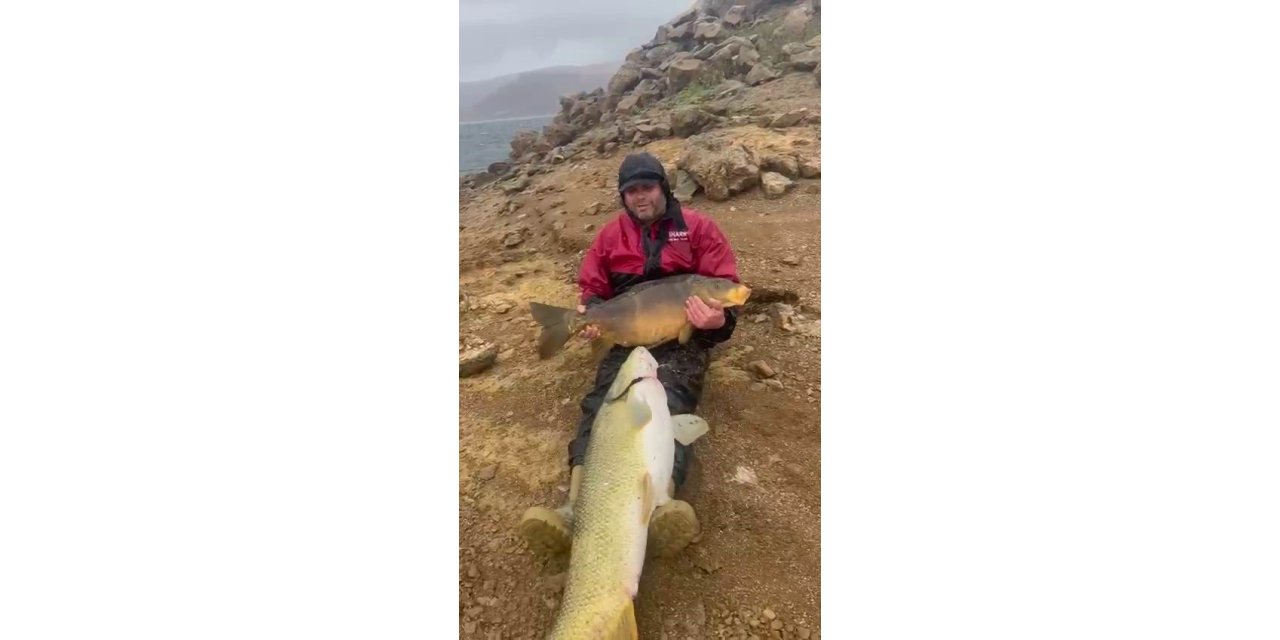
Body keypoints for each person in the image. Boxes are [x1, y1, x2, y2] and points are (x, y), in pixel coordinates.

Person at [518, 151, 742, 559]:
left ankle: (660, 507)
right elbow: (594, 289)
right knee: (602, 407)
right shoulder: (609, 237)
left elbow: (726, 290)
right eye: (631, 191)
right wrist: (588, 316)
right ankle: (573, 511)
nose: (640, 198)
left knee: (667, 406)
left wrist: (715, 324)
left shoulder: (699, 229)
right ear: (623, 197)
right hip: (623, 335)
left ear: (664, 188)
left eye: (648, 188)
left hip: (681, 342)